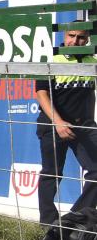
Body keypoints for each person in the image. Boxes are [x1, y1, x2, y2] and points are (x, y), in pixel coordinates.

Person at [34, 25, 97, 227]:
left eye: (81, 38)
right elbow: (41, 93)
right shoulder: (51, 58)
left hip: (85, 126)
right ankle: (49, 224)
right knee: (52, 173)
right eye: (71, 36)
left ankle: (74, 219)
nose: (75, 41)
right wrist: (58, 122)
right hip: (53, 124)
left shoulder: (93, 61)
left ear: (87, 40)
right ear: (64, 35)